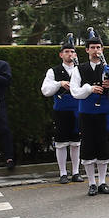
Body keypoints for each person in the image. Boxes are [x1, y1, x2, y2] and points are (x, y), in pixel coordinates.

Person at [72, 31, 109, 195]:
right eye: (92, 47)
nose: (96, 50)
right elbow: (75, 92)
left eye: (98, 47)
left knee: (103, 145)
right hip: (87, 113)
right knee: (89, 146)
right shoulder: (79, 70)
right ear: (87, 50)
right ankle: (91, 183)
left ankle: (103, 182)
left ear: (102, 49)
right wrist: (89, 89)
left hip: (104, 112)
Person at [40, 36, 85, 184]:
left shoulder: (80, 70)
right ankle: (63, 173)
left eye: (72, 51)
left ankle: (76, 172)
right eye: (66, 51)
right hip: (61, 111)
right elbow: (45, 90)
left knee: (76, 142)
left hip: (78, 110)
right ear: (61, 54)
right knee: (61, 142)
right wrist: (60, 83)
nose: (70, 54)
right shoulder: (53, 71)